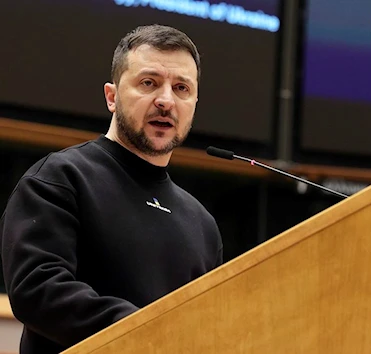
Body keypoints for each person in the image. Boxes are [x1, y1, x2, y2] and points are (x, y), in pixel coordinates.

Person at [0, 24, 223, 354]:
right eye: (149, 83)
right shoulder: (60, 179)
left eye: (181, 88)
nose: (166, 100)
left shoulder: (203, 225)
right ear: (112, 96)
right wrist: (146, 333)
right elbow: (38, 291)